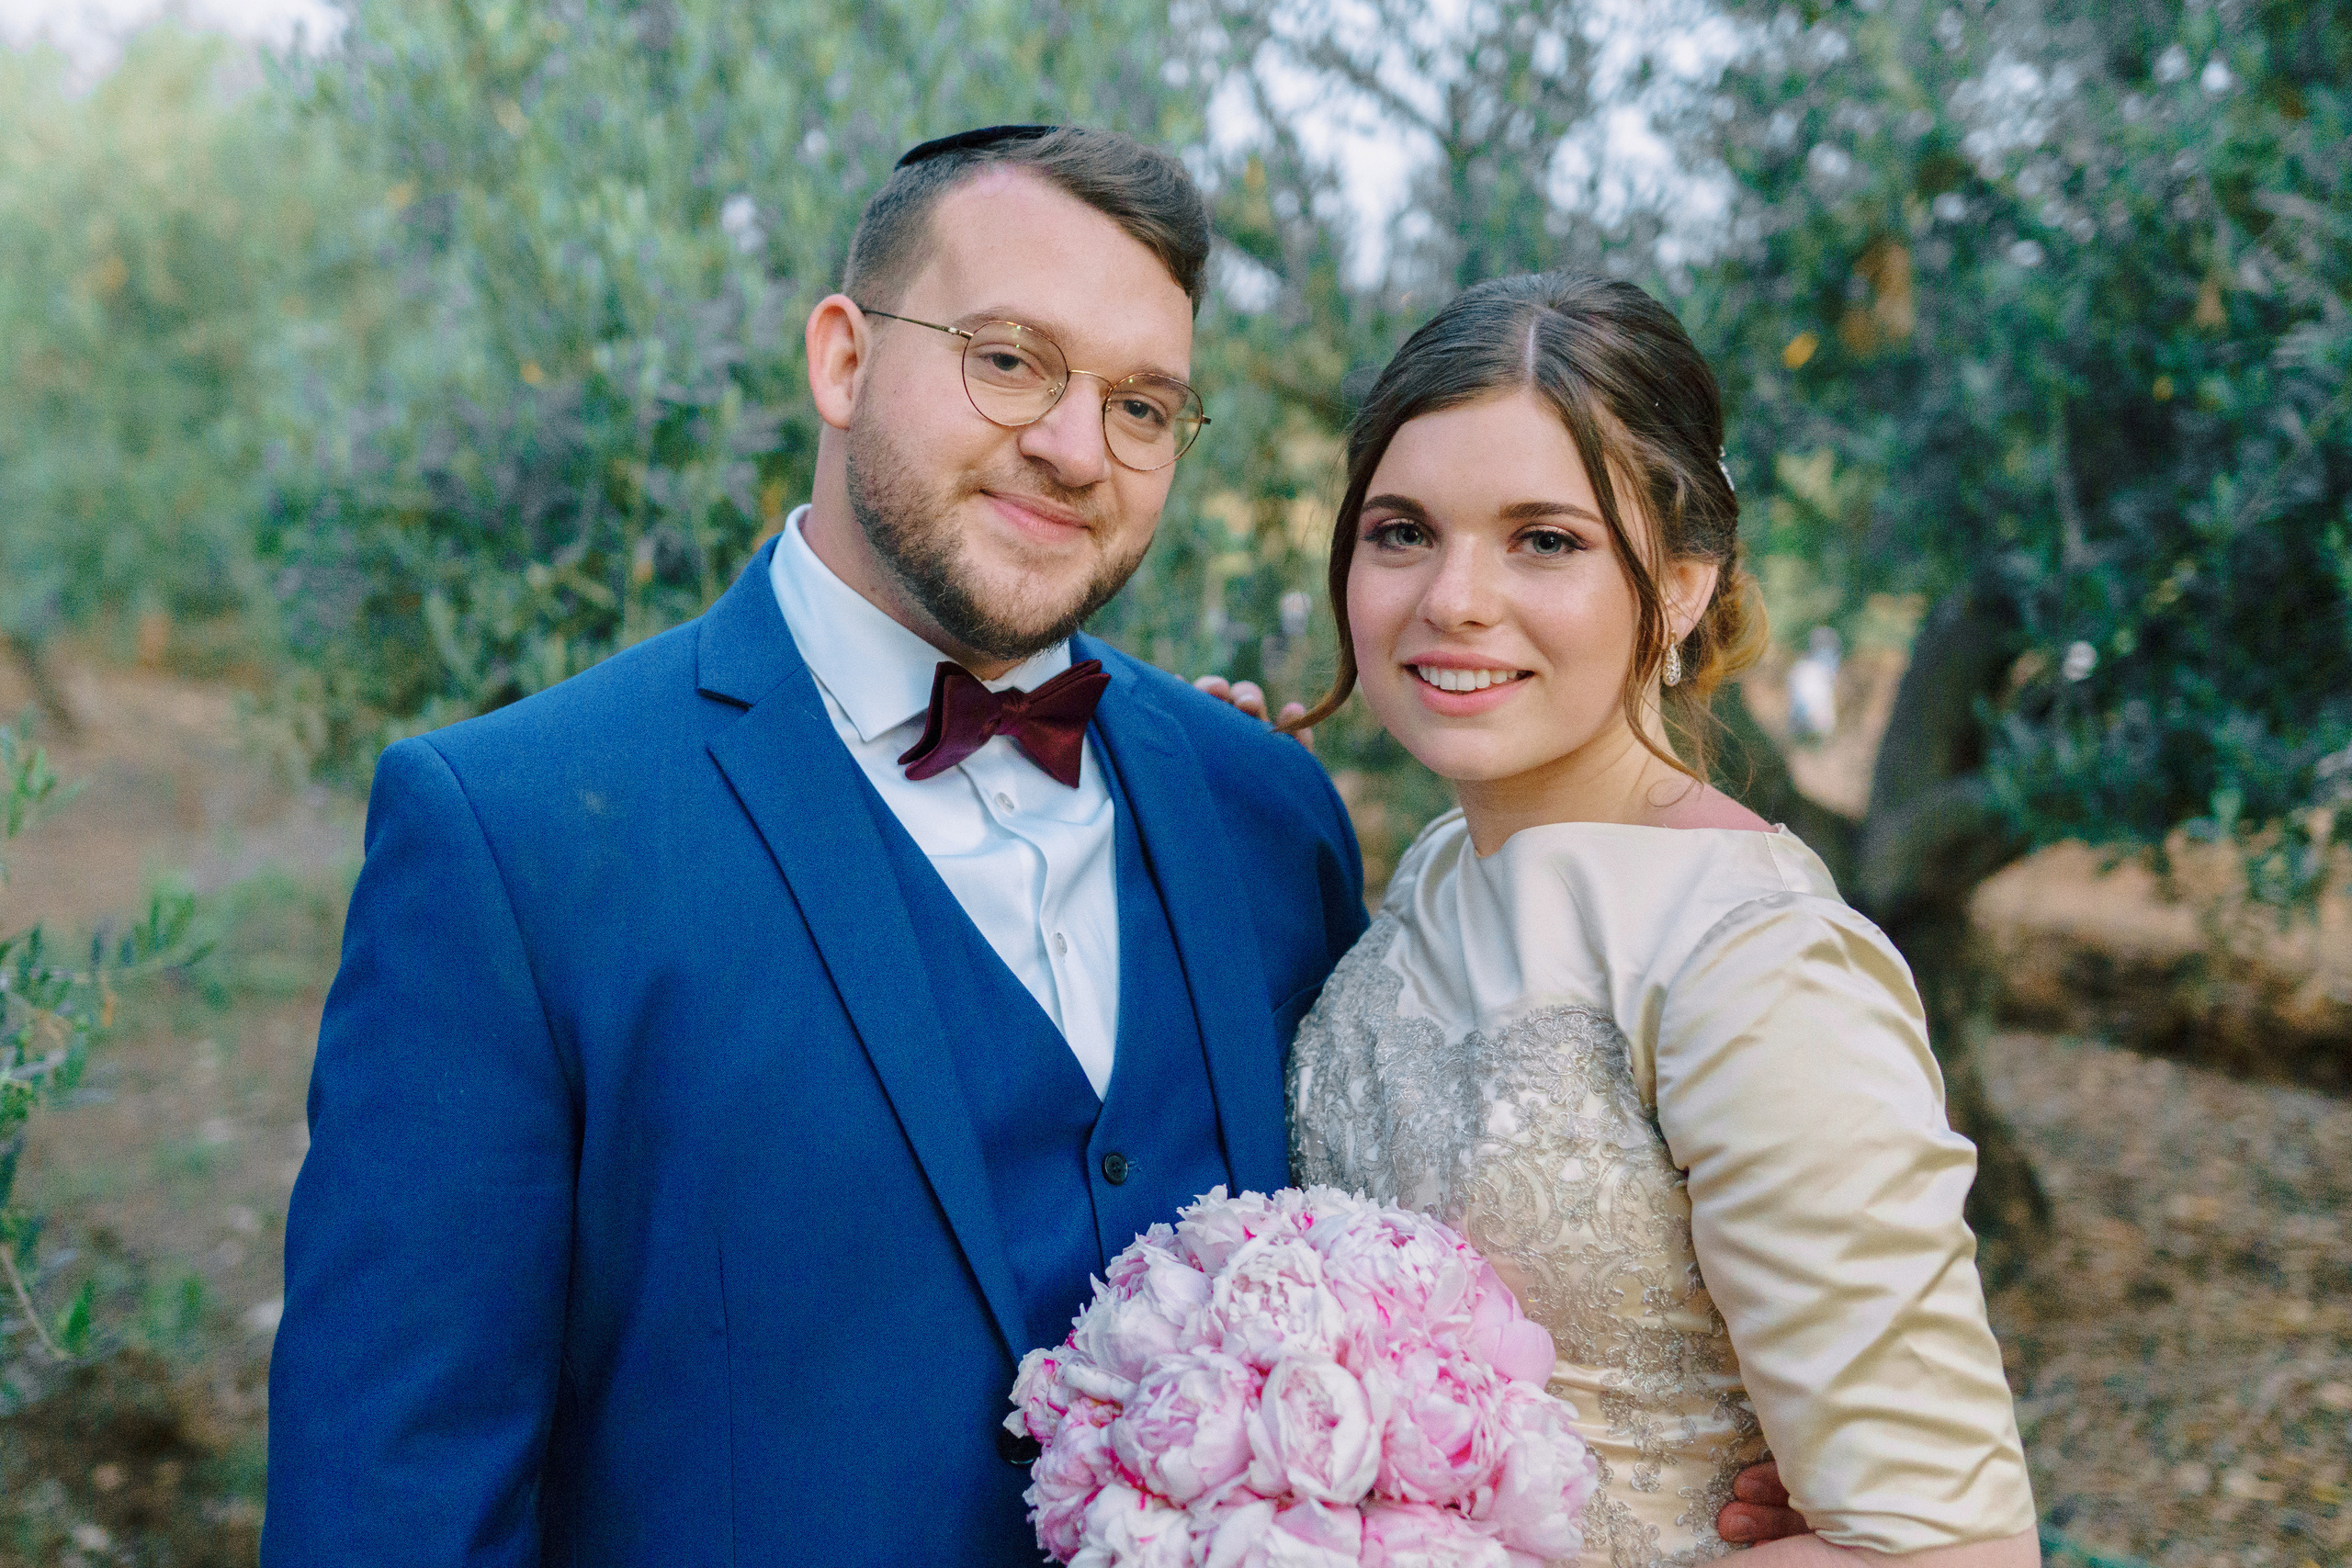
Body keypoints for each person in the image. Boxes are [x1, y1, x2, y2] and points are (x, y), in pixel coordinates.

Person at [260, 126, 1369, 1565]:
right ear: (844, 359)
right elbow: (392, 1499)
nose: (1075, 448)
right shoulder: (512, 839)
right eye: (1010, 359)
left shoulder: (1264, 816)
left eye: (1144, 406)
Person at [1283, 273, 2042, 1568]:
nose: (1455, 598)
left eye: (1547, 539)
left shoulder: (1757, 965)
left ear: (1685, 584)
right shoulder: (1429, 878)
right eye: (1403, 531)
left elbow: (1947, 1550)